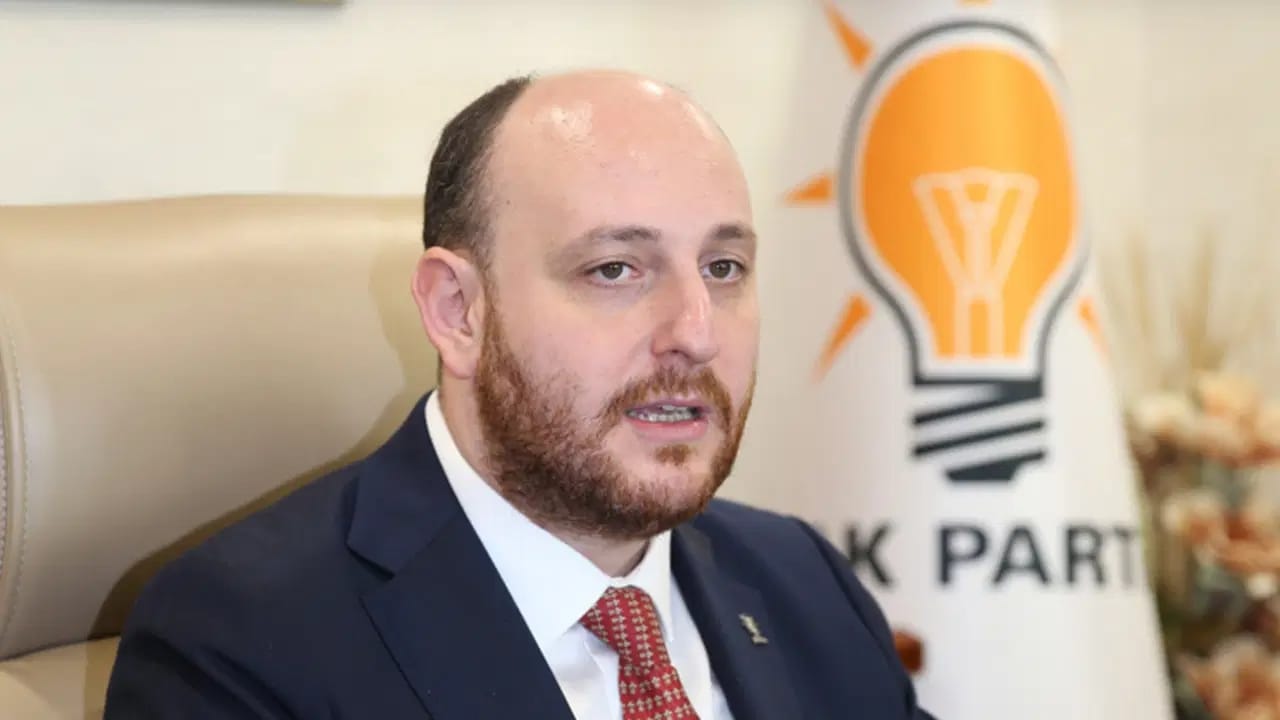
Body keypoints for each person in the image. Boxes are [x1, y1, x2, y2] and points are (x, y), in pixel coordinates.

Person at [104, 70, 935, 719]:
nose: (697, 331)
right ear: (457, 311)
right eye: (615, 269)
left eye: (724, 268)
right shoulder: (240, 639)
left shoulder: (802, 582)